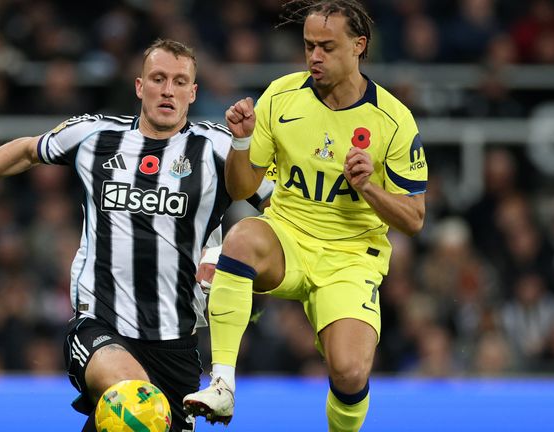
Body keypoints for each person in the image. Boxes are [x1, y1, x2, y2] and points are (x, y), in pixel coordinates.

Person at [0, 39, 272, 432]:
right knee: (134, 399)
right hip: (99, 326)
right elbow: (27, 151)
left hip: (176, 342)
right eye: (158, 79)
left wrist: (243, 265)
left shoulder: (218, 147)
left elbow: (278, 208)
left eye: (180, 82)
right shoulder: (95, 136)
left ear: (193, 93)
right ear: (139, 86)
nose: (168, 90)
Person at [183, 1, 428, 431]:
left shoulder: (393, 120)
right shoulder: (281, 96)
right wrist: (241, 144)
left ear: (359, 46)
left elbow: (414, 219)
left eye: (327, 47)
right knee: (240, 237)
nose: (314, 56)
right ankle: (221, 385)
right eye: (309, 45)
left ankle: (243, 294)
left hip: (350, 258)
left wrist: (368, 187)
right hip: (287, 236)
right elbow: (242, 189)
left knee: (350, 372)